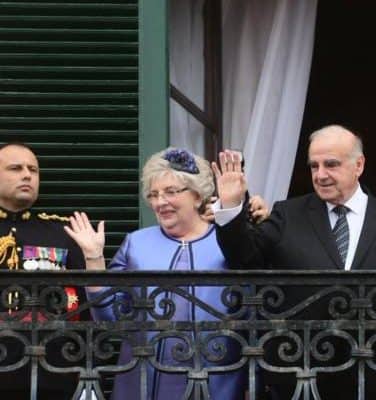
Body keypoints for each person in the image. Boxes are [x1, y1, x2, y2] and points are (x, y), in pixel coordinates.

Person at [212, 125, 376, 400]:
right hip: (299, 373)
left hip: (370, 374)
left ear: (358, 165)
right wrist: (230, 207)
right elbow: (244, 259)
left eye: (331, 164)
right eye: (314, 166)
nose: (320, 175)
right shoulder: (288, 214)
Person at [65, 148, 254, 400]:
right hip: (143, 383)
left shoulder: (229, 244)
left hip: (218, 382)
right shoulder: (136, 243)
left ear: (197, 196)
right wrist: (94, 258)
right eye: (153, 194)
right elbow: (110, 318)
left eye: (171, 192)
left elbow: (252, 317)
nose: (160, 202)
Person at [0, 142, 86, 399]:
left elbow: (85, 306)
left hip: (52, 373)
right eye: (15, 168)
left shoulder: (62, 233)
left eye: (33, 170)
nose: (27, 175)